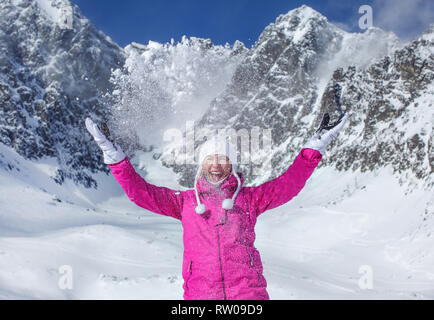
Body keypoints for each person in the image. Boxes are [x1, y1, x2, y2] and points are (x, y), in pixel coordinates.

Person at [85, 113, 349, 300]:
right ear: (201, 164)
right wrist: (115, 157)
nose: (215, 164)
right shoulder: (184, 202)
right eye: (210, 159)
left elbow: (288, 185)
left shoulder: (249, 199)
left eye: (222, 159)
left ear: (231, 165)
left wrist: (313, 149)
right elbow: (141, 193)